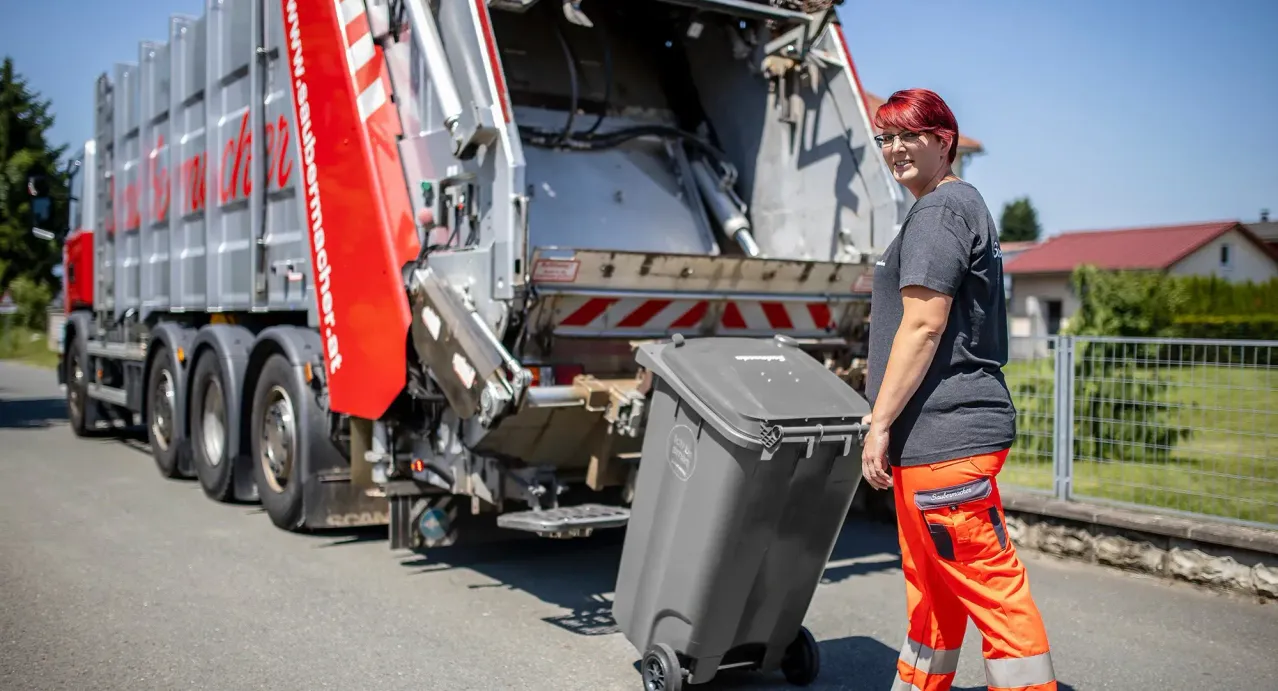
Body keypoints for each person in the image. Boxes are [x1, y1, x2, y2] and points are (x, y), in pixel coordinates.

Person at [860, 89, 1058, 691]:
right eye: (886, 138)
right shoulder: (953, 207)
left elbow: (923, 325)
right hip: (936, 442)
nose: (895, 149)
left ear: (944, 140)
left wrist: (879, 423)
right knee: (934, 592)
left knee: (990, 590)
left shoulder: (940, 211)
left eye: (908, 135)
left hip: (946, 437)